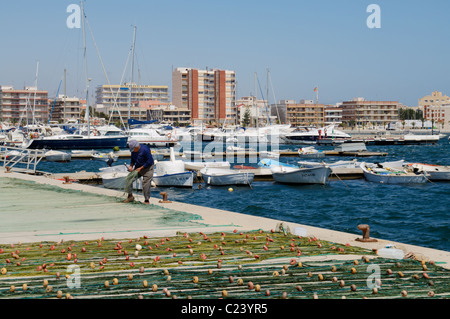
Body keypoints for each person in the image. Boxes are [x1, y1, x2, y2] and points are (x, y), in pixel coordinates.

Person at [123, 139, 155, 204]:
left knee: (146, 183)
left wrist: (141, 168)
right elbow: (133, 160)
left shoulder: (145, 150)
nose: (132, 151)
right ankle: (130, 196)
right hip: (138, 168)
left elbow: (149, 161)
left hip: (148, 168)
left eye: (133, 149)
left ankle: (146, 200)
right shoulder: (134, 151)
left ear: (136, 147)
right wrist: (131, 166)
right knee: (129, 178)